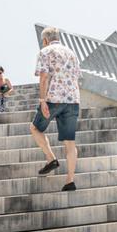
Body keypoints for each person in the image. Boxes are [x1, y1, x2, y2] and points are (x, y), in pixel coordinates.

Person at [30, 26, 81, 191]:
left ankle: (51, 159)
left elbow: (44, 77)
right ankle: (70, 181)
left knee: (35, 128)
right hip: (73, 100)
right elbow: (76, 76)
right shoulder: (72, 53)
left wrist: (42, 100)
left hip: (54, 99)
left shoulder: (45, 51)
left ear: (45, 40)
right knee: (70, 143)